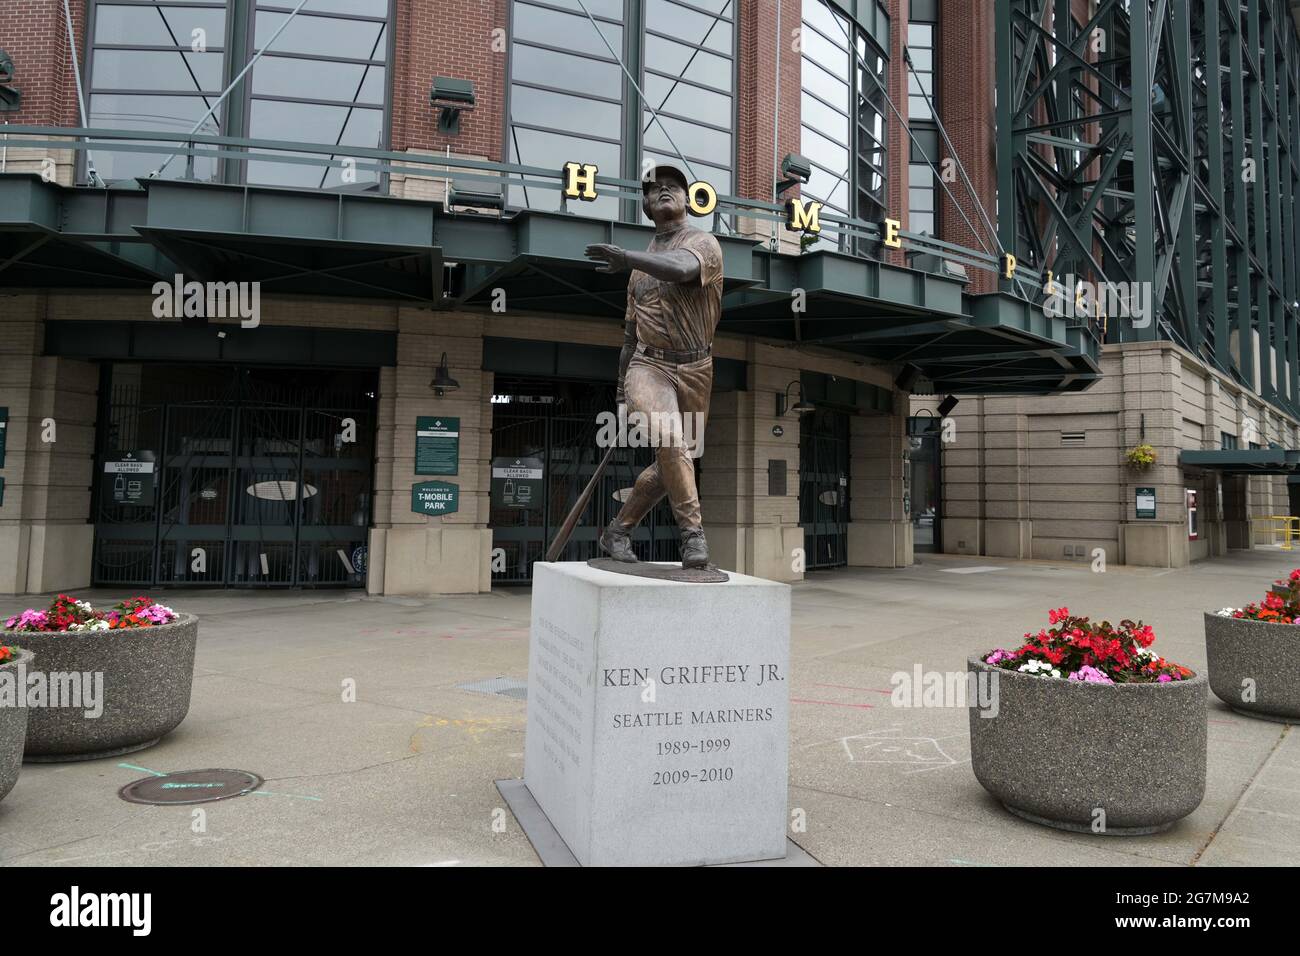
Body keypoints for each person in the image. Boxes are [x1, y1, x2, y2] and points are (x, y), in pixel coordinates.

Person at [584, 164, 724, 569]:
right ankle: (693, 537)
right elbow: (630, 338)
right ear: (646, 205)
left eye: (673, 186)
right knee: (671, 441)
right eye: (654, 189)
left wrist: (627, 258)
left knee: (673, 464)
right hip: (649, 366)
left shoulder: (705, 243)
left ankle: (617, 530)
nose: (664, 191)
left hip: (697, 368)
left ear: (686, 200)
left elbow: (682, 269)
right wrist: (621, 395)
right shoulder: (638, 274)